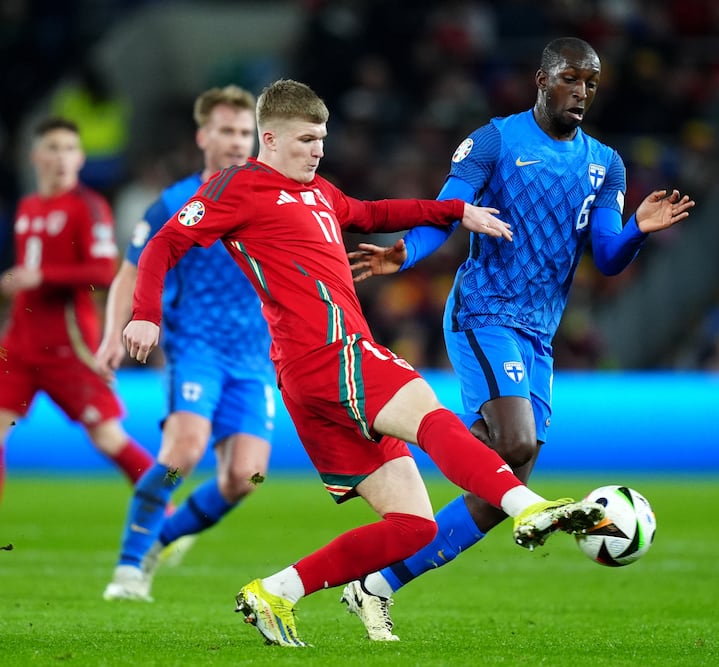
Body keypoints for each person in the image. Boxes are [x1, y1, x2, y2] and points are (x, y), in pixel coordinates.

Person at [121, 78, 607, 647]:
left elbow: (374, 212)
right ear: (269, 138)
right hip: (329, 353)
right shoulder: (240, 186)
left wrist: (455, 210)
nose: (317, 150)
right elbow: (163, 244)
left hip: (312, 378)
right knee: (427, 409)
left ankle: (277, 591)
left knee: (413, 527)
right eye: (305, 139)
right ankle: (526, 507)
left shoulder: (320, 193)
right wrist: (145, 314)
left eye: (322, 138)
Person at [344, 36, 696, 641]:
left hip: (539, 333)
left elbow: (608, 257)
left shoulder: (606, 163)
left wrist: (637, 228)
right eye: (570, 79)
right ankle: (408, 439)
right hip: (484, 312)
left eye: (590, 82)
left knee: (511, 474)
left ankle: (378, 583)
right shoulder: (496, 142)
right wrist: (405, 256)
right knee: (514, 445)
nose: (581, 91)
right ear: (540, 79)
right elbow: (447, 209)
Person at [98, 86, 274, 602]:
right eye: (226, 130)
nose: (237, 142)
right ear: (203, 136)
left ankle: (161, 540)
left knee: (247, 476)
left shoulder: (272, 198)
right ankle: (129, 569)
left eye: (245, 133)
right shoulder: (175, 203)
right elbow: (129, 272)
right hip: (195, 348)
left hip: (255, 357)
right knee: (183, 453)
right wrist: (115, 331)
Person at [0, 118, 154, 503]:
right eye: (53, 148)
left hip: (69, 346)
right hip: (20, 345)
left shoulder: (89, 206)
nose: (62, 157)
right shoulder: (28, 206)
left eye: (69, 148)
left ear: (81, 158)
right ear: (36, 156)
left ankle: (165, 513)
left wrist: (42, 276)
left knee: (107, 437)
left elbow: (103, 270)